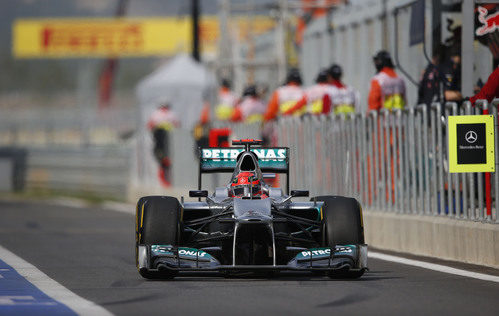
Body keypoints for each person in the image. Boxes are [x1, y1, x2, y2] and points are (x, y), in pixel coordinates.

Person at [147, 103, 180, 187]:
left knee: (166, 160)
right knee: (161, 159)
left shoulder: (171, 114)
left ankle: (168, 180)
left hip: (169, 140)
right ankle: (164, 180)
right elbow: (150, 125)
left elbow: (177, 124)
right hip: (161, 140)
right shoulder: (157, 114)